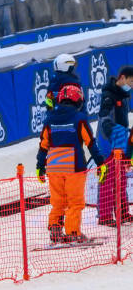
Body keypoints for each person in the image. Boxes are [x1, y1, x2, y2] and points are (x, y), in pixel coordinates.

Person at [36, 82, 107, 244]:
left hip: (53, 167)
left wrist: (40, 166)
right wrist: (100, 163)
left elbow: (43, 145)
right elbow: (91, 143)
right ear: (77, 101)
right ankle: (73, 232)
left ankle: (55, 229)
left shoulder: (49, 119)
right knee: (75, 202)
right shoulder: (79, 118)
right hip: (73, 167)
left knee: (58, 201)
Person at [96, 66, 133, 227]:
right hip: (108, 140)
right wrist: (113, 132)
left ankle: (122, 212)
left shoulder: (124, 95)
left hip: (121, 138)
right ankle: (104, 215)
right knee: (107, 178)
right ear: (122, 78)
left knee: (121, 178)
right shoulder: (108, 95)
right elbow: (104, 117)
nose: (131, 85)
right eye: (131, 81)